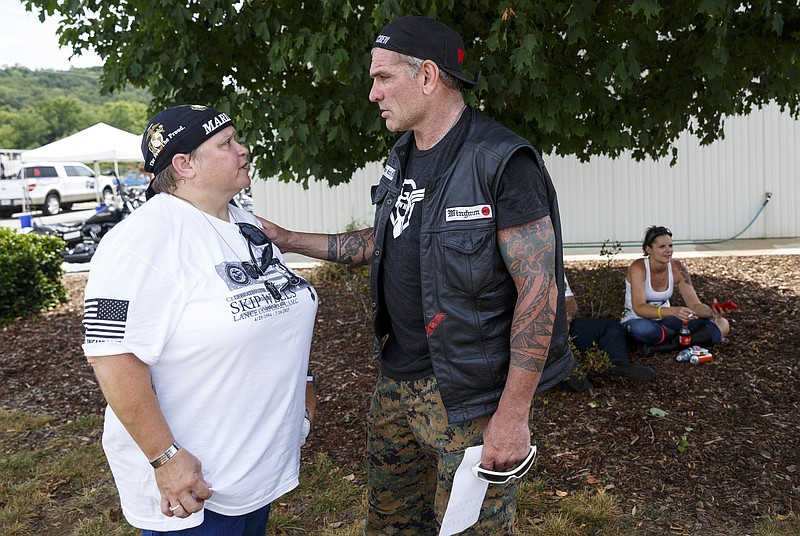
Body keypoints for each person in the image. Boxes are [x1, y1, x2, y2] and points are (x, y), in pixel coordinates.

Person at [258, 16, 574, 534]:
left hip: (471, 397)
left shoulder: (500, 162)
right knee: (390, 526)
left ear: (427, 76)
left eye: (383, 78)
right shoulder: (402, 155)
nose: (372, 93)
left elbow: (540, 294)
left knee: (470, 529)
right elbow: (385, 241)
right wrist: (290, 239)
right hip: (396, 385)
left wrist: (513, 416)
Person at [82, 105, 318, 534]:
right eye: (226, 144)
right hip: (191, 491)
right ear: (184, 164)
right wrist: (165, 458)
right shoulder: (140, 242)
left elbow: (280, 307)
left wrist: (304, 385)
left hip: (251, 471)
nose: (243, 150)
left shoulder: (244, 224)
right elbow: (111, 357)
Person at [621, 225, 731, 356]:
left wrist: (710, 312)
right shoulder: (638, 268)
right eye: (662, 247)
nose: (668, 251)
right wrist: (674, 311)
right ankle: (685, 338)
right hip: (638, 320)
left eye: (670, 246)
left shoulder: (677, 268)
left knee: (722, 324)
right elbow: (639, 308)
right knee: (642, 330)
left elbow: (694, 305)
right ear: (648, 249)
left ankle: (667, 345)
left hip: (666, 321)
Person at [564, 275, 655, 386]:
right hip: (541, 334)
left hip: (562, 326)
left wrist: (566, 318)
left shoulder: (551, 266)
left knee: (610, 327)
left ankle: (616, 367)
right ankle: (569, 377)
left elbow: (569, 301)